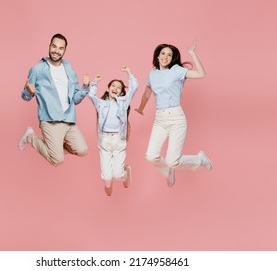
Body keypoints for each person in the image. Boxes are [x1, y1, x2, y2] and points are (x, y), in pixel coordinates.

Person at [135, 40, 212, 187]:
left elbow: (201, 74)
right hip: (160, 118)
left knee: (173, 161)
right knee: (151, 156)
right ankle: (168, 170)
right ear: (157, 56)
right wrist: (141, 108)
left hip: (176, 118)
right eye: (163, 53)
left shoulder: (176, 70)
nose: (165, 57)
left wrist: (192, 53)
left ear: (172, 58)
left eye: (169, 55)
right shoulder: (153, 73)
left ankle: (199, 159)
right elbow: (146, 94)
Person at [18, 33, 90, 166]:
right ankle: (30, 136)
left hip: (68, 120)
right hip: (49, 120)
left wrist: (85, 88)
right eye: (54, 46)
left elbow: (75, 99)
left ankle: (55, 148)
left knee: (83, 150)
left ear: (64, 51)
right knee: (57, 160)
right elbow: (25, 96)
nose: (56, 51)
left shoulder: (69, 69)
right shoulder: (38, 69)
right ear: (49, 46)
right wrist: (28, 91)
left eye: (60, 48)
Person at [85, 66, 139, 196]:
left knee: (118, 174)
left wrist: (129, 73)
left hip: (119, 139)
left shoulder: (123, 102)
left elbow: (134, 88)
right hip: (104, 140)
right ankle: (108, 185)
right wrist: (95, 82)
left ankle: (126, 173)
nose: (115, 88)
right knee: (107, 176)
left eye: (119, 87)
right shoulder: (101, 103)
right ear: (108, 89)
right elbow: (91, 95)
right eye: (113, 86)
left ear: (121, 93)